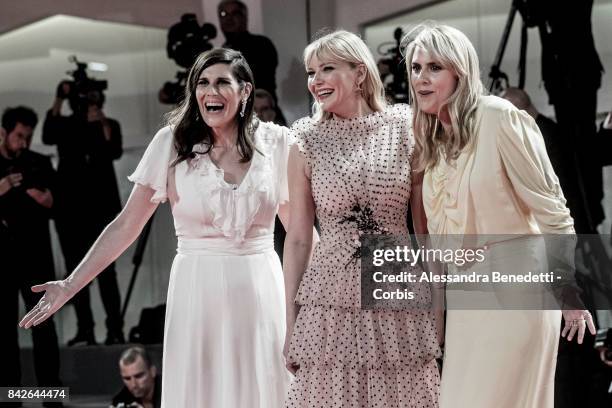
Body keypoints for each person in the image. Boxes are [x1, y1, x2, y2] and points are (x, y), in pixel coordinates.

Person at [20, 48, 292, 408]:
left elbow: (303, 236)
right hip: (197, 293)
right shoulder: (172, 143)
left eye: (222, 82)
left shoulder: (278, 143)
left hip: (261, 293)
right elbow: (125, 227)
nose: (210, 92)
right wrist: (70, 285)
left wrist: (329, 302)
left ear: (244, 91)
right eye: (202, 83)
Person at [402, 22, 596, 408]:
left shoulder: (499, 117)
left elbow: (554, 212)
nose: (422, 78)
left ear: (461, 71)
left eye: (434, 67)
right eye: (416, 67)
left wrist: (568, 290)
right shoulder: (433, 142)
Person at [283, 30, 441, 407]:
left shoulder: (405, 125)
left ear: (359, 74)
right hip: (329, 300)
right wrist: (291, 325)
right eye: (310, 72)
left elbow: (424, 231)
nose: (315, 81)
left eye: (326, 69)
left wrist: (438, 312)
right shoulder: (306, 138)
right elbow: (299, 239)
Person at [42, 83, 124, 345]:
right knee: (74, 273)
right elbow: (47, 135)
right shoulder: (66, 125)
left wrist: (101, 122)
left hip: (101, 209)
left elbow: (114, 150)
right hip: (71, 210)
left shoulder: (109, 123)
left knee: (107, 273)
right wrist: (58, 97)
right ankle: (85, 329)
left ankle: (115, 329)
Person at [0, 106, 63, 408]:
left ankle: (52, 397)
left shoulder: (37, 163)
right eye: (19, 136)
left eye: (28, 136)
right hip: (2, 261)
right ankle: (10, 398)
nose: (23, 142)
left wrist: (41, 196)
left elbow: (58, 203)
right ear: (3, 132)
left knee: (44, 327)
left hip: (36, 258)